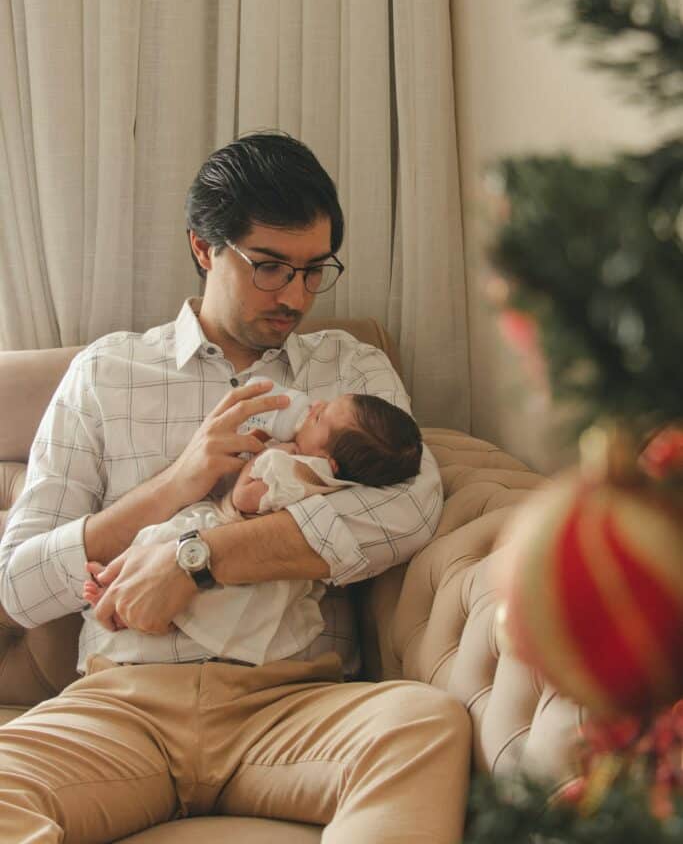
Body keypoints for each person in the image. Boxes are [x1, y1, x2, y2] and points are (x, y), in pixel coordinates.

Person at [0, 132, 470, 843]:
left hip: (288, 701)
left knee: (424, 725)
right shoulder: (106, 374)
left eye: (315, 271)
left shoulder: (351, 370)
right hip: (122, 708)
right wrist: (176, 484)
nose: (295, 295)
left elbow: (408, 508)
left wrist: (199, 557)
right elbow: (19, 584)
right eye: (270, 267)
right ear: (202, 247)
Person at [82, 392, 424, 666]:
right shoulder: (335, 483)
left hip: (228, 535)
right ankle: (125, 594)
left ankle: (113, 582)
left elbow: (246, 499)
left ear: (329, 460)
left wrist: (261, 457)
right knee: (189, 586)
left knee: (157, 543)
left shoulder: (288, 464)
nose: (314, 406)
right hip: (275, 579)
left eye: (319, 417)